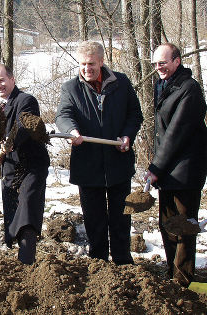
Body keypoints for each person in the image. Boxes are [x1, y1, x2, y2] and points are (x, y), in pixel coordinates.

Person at [55, 41, 143, 265]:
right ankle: (98, 263)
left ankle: (123, 262)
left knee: (121, 218)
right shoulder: (70, 88)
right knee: (94, 220)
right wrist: (71, 131)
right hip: (88, 166)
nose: (87, 68)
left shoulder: (120, 83)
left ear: (102, 62)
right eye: (82, 64)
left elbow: (135, 114)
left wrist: (127, 135)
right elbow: (63, 115)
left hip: (118, 163)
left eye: (91, 64)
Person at [145, 43, 207, 286]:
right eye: (155, 63)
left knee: (183, 225)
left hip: (186, 170)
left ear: (177, 61)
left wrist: (155, 167)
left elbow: (176, 133)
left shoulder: (189, 89)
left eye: (163, 62)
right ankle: (172, 271)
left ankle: (183, 280)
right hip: (169, 168)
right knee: (167, 224)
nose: (158, 67)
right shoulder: (164, 85)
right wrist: (159, 167)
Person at [0, 64, 50, 264]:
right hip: (10, 169)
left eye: (2, 80)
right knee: (13, 212)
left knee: (27, 209)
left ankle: (26, 261)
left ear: (12, 79)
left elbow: (24, 124)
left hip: (32, 165)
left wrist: (7, 144)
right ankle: (19, 259)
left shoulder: (26, 100)